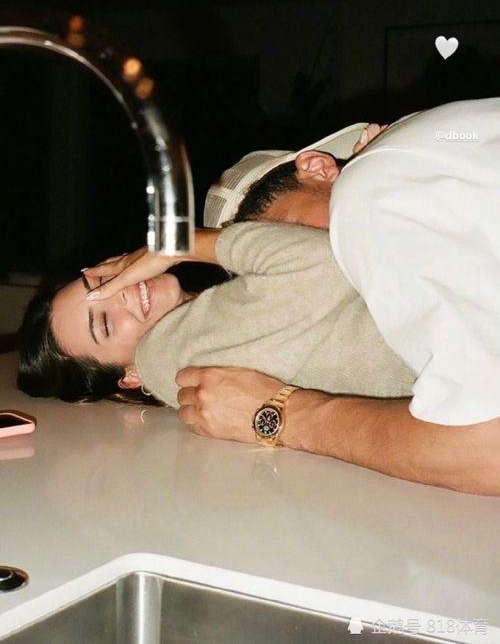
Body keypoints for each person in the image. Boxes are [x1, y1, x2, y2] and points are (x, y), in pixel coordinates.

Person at [84, 99, 500, 496]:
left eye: (285, 235)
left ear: (317, 169)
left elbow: (487, 450)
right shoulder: (423, 169)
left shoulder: (365, 194)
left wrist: (281, 414)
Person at [18, 220, 416, 407]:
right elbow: (325, 263)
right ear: (132, 376)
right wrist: (180, 244)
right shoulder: (165, 358)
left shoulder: (207, 322)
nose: (119, 291)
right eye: (104, 323)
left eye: (101, 283)